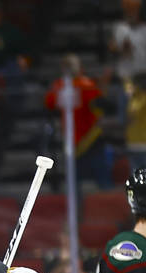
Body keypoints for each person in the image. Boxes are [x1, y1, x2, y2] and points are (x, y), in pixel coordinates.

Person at [44, 55, 111, 190]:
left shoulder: (87, 86)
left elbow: (101, 103)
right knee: (74, 185)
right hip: (73, 142)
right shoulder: (62, 86)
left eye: (71, 65)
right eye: (67, 65)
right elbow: (49, 102)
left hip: (91, 138)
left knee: (102, 180)